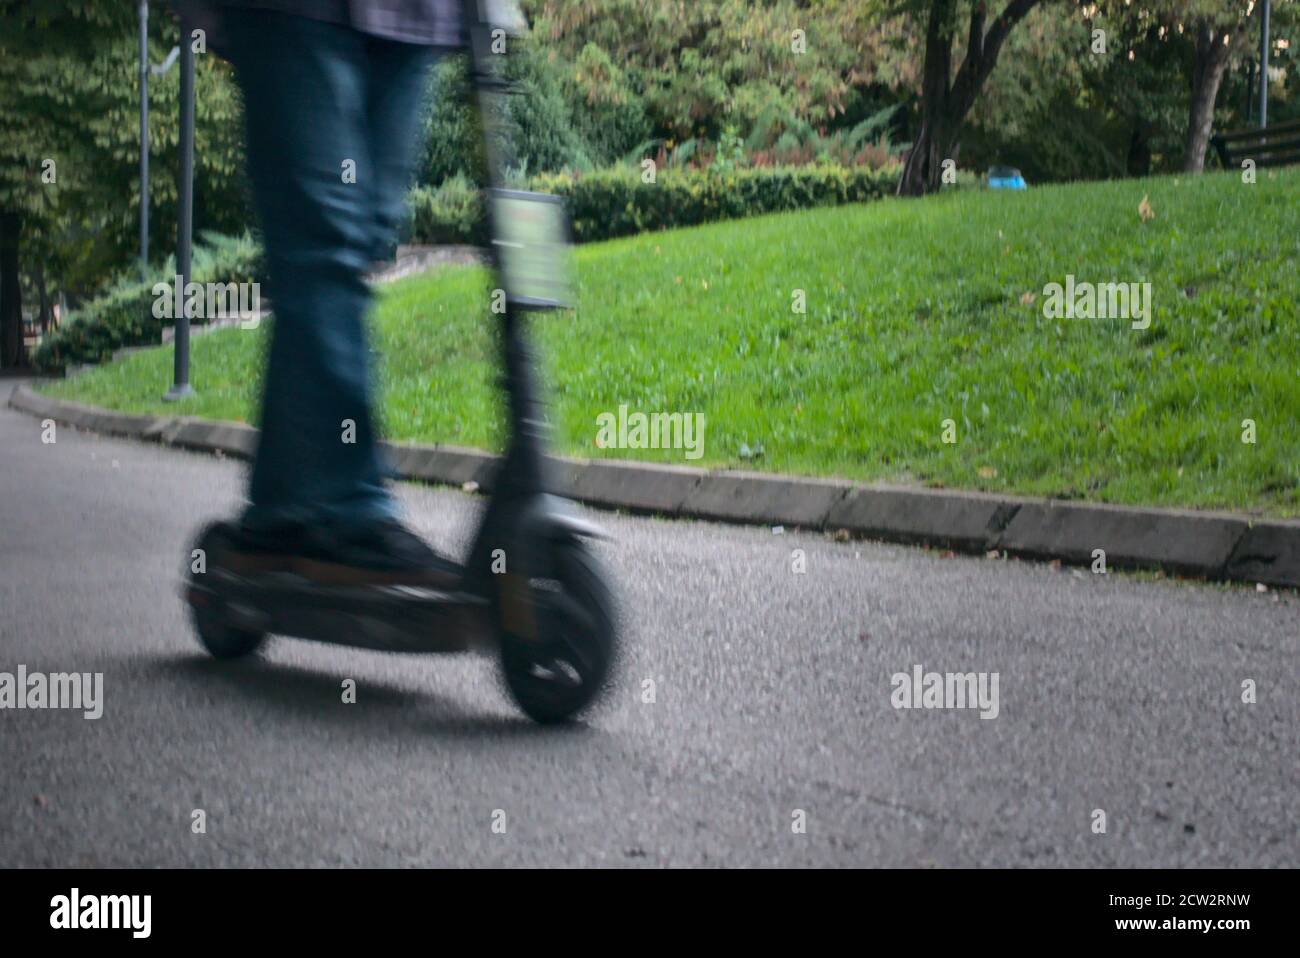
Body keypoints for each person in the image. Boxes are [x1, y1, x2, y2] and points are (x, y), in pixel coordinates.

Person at [176, 1, 465, 585]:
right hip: (295, 12)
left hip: (417, 17)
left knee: (360, 242)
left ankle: (282, 514)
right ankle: (347, 511)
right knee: (324, 238)